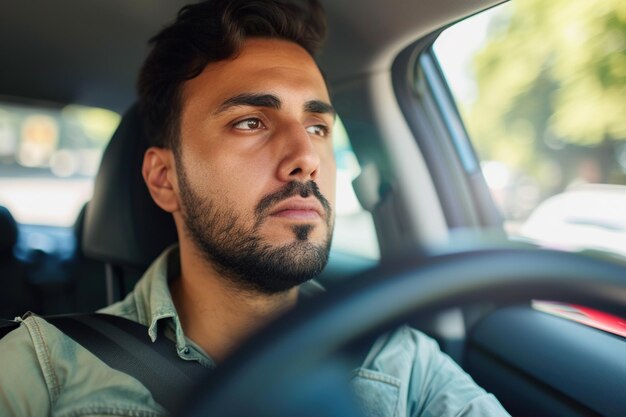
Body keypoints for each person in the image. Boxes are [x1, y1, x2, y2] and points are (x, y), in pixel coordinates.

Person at [0, 1, 510, 416]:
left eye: (317, 128)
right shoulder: (43, 369)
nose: (306, 158)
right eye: (251, 122)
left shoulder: (399, 362)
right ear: (164, 179)